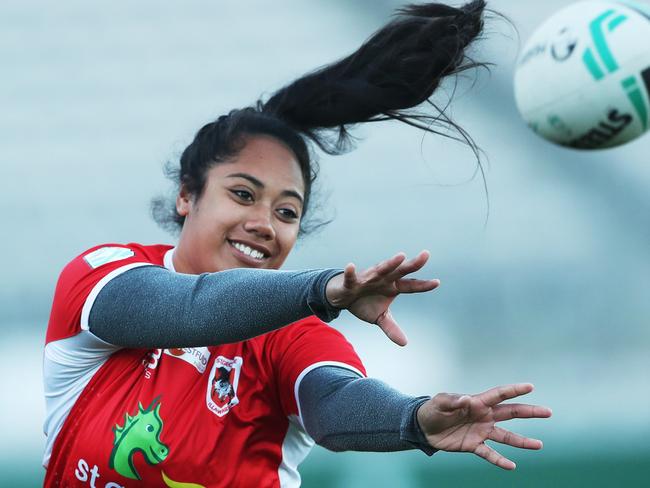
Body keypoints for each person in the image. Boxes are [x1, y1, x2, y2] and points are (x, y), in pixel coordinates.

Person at [42, 1, 551, 487]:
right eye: (243, 194)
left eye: (287, 212)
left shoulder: (293, 333)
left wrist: (412, 419)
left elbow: (334, 403)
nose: (265, 223)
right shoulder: (102, 274)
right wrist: (322, 288)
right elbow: (189, 309)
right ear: (186, 195)